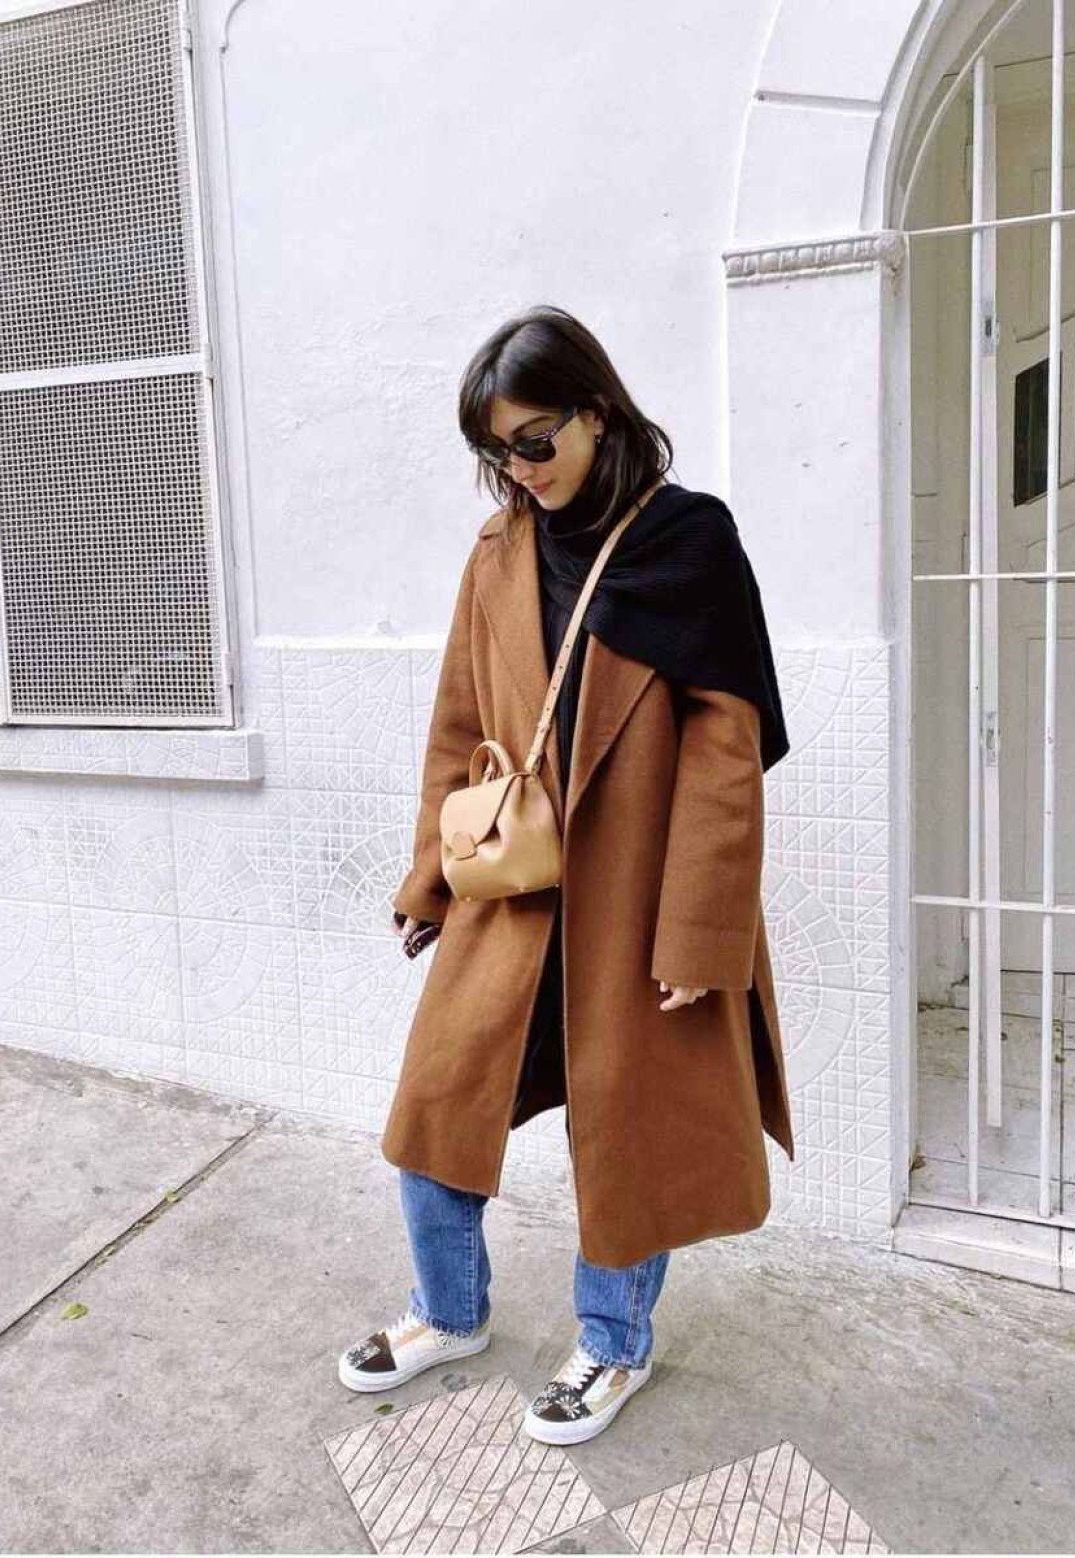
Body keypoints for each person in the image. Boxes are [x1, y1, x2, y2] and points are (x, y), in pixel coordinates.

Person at [338, 305, 793, 1446]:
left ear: (596, 412)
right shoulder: (499, 552)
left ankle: (614, 1342)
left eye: (534, 441)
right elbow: (459, 728)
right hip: (514, 888)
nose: (518, 469)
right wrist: (430, 881)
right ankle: (451, 1311)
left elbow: (726, 754)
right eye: (496, 451)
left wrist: (701, 934)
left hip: (637, 901)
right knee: (436, 1106)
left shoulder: (687, 542)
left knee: (626, 1131)